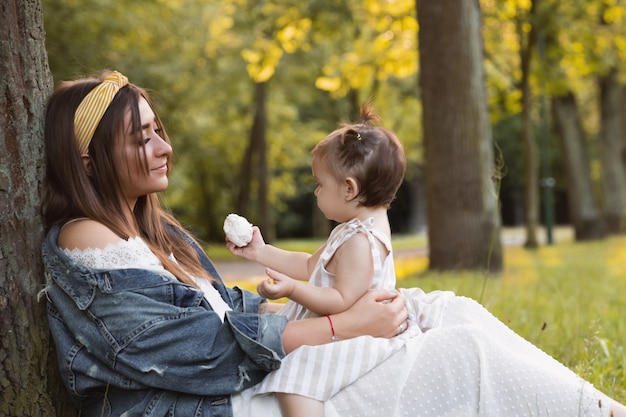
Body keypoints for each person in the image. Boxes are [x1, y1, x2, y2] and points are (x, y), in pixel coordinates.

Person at [40, 70, 626, 417]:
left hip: (244, 379)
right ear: (90, 164)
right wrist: (344, 325)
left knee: (449, 310)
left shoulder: (153, 231)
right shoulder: (87, 239)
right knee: (461, 357)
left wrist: (315, 300)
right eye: (141, 138)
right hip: (214, 406)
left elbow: (226, 314)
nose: (164, 146)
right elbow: (197, 352)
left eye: (158, 130)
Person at [226, 102, 410, 417]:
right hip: (337, 327)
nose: (315, 192)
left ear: (349, 189)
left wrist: (292, 291)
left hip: (352, 338)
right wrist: (261, 251)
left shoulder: (361, 242)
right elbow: (312, 265)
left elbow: (340, 301)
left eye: (320, 184)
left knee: (294, 380)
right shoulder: (352, 229)